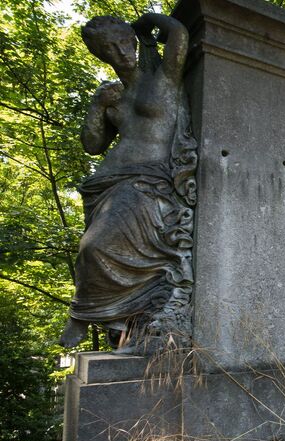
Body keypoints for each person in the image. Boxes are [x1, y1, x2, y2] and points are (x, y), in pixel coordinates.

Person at [60, 14, 197, 352]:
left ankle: (84, 312)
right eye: (110, 48)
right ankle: (116, 323)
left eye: (124, 42)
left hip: (151, 180)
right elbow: (92, 144)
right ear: (100, 54)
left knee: (96, 247)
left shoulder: (163, 77)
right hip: (109, 183)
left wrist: (145, 21)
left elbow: (178, 34)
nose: (121, 52)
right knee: (95, 247)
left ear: (134, 40)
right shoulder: (112, 95)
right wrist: (98, 106)